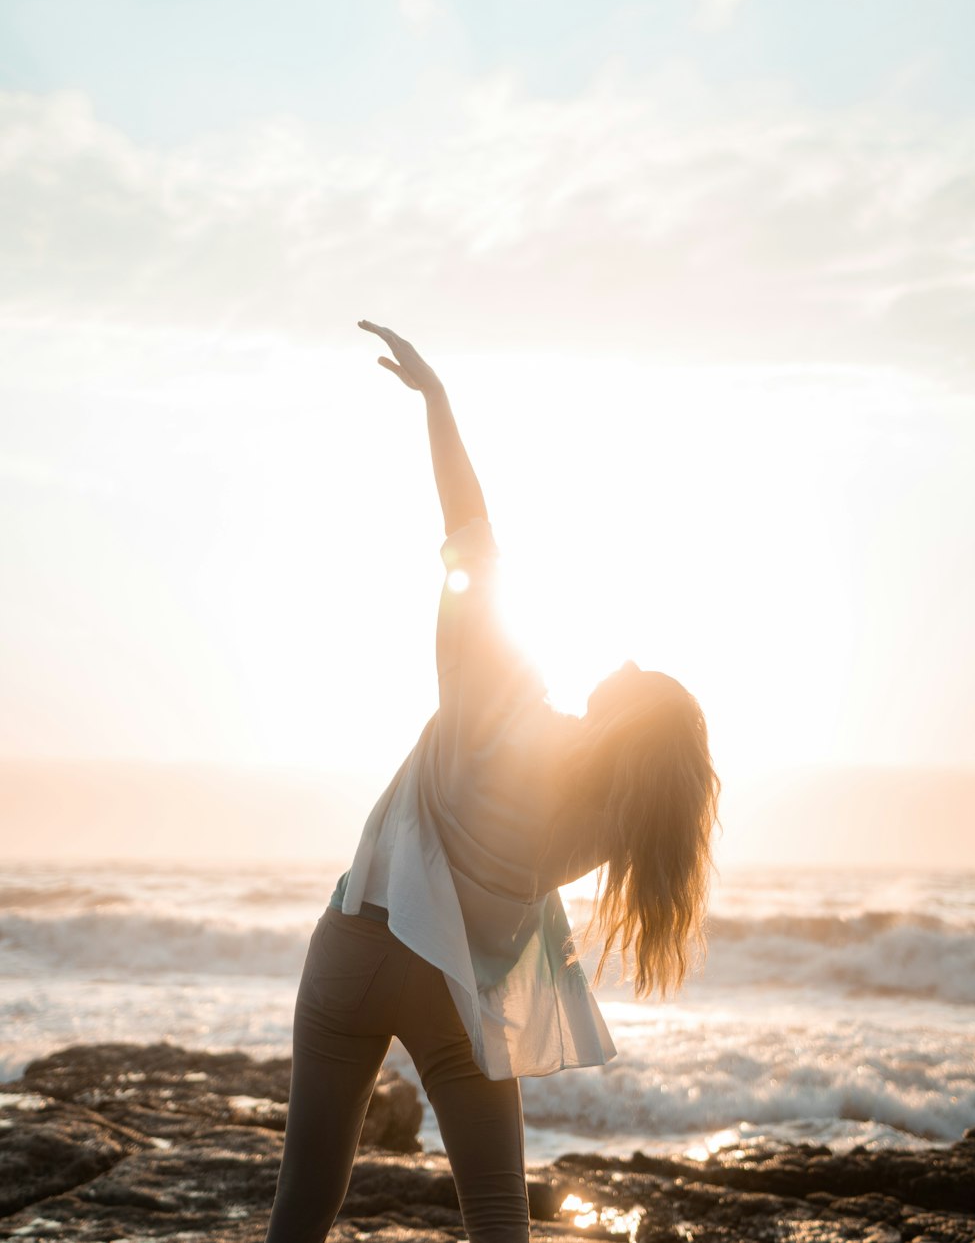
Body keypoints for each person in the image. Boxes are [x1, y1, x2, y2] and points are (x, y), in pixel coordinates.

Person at [264, 321, 720, 1243]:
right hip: (450, 993)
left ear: (626, 719)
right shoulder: (606, 826)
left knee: (306, 1203)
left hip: (354, 947)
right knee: (499, 1217)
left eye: (641, 673)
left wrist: (438, 404)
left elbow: (470, 532)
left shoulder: (506, 700)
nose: (626, 657)